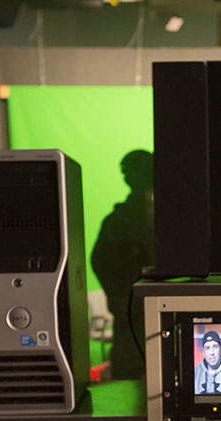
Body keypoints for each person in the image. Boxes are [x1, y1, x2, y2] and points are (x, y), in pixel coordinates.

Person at [91, 149, 154, 380]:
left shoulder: (161, 218)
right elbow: (99, 261)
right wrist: (121, 297)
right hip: (131, 325)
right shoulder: (119, 221)